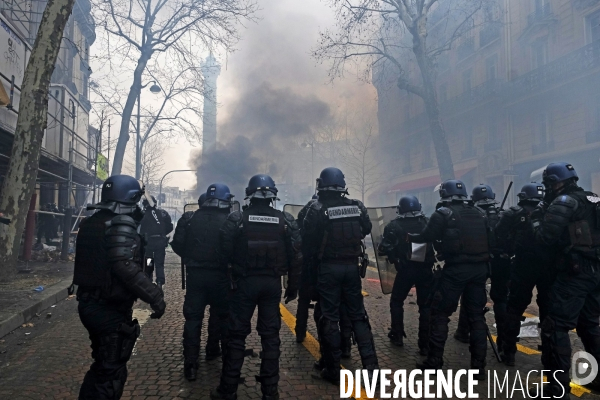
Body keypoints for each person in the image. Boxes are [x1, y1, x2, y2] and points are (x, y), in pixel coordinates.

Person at [73, 175, 166, 399]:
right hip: (107, 308)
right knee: (110, 372)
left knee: (103, 367)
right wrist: (155, 296)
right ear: (130, 199)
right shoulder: (120, 223)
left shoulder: (91, 222)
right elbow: (124, 265)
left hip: (90, 302)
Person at [211, 174, 302, 400]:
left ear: (249, 195)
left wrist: (230, 277)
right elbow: (297, 257)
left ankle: (228, 390)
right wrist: (292, 286)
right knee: (270, 336)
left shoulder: (237, 219)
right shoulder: (286, 220)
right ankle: (270, 392)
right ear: (273, 196)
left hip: (243, 285)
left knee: (236, 335)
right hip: (272, 286)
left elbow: (223, 253)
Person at [303, 167, 379, 384]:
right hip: (351, 268)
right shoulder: (357, 207)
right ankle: (372, 368)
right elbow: (366, 228)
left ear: (321, 185)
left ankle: (332, 369)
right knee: (358, 315)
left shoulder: (317, 209)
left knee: (329, 317)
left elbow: (307, 240)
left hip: (327, 269)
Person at [408, 179, 489, 378]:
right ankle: (479, 368)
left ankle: (434, 362)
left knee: (440, 314)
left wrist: (411, 237)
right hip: (479, 270)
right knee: (476, 317)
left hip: (456, 271)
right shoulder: (480, 213)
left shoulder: (443, 214)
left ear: (444, 194)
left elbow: (427, 236)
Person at [534, 163, 600, 398]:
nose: (548, 188)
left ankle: (557, 389)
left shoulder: (564, 202)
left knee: (556, 328)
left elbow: (545, 238)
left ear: (557, 182)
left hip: (574, 275)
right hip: (595, 272)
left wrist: (535, 219)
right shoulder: (594, 198)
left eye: (549, 184)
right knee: (590, 326)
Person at [171, 184, 233, 381]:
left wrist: (192, 258)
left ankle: (190, 364)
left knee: (193, 319)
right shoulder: (230, 221)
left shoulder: (189, 218)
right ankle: (215, 351)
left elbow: (178, 245)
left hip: (195, 275)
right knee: (221, 316)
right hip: (221, 277)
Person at [494, 182, 556, 367]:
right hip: (547, 267)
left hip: (522, 265)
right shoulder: (551, 210)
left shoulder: (513, 213)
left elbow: (498, 235)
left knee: (514, 309)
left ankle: (509, 351)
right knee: (548, 310)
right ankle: (549, 351)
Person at [295, 194, 354, 360]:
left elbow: (300, 237)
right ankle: (344, 345)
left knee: (304, 301)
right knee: (338, 305)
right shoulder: (335, 214)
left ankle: (302, 334)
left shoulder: (307, 212)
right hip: (330, 266)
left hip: (311, 268)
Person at [454, 185, 510, 354]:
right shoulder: (503, 214)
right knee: (501, 301)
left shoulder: (472, 214)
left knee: (471, 296)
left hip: (480, 261)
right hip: (501, 262)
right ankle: (504, 344)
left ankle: (464, 331)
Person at [378, 195, 434, 355]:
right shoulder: (427, 222)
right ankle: (424, 344)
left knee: (396, 301)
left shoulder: (394, 226)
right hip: (425, 270)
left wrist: (394, 256)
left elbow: (383, 248)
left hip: (405, 270)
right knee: (425, 306)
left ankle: (397, 335)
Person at [140, 196, 173, 289]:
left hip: (149, 243)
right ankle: (159, 282)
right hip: (160, 242)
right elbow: (170, 226)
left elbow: (140, 230)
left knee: (149, 262)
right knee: (159, 263)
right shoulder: (163, 213)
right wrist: (162, 233)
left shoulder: (143, 214)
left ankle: (149, 282)